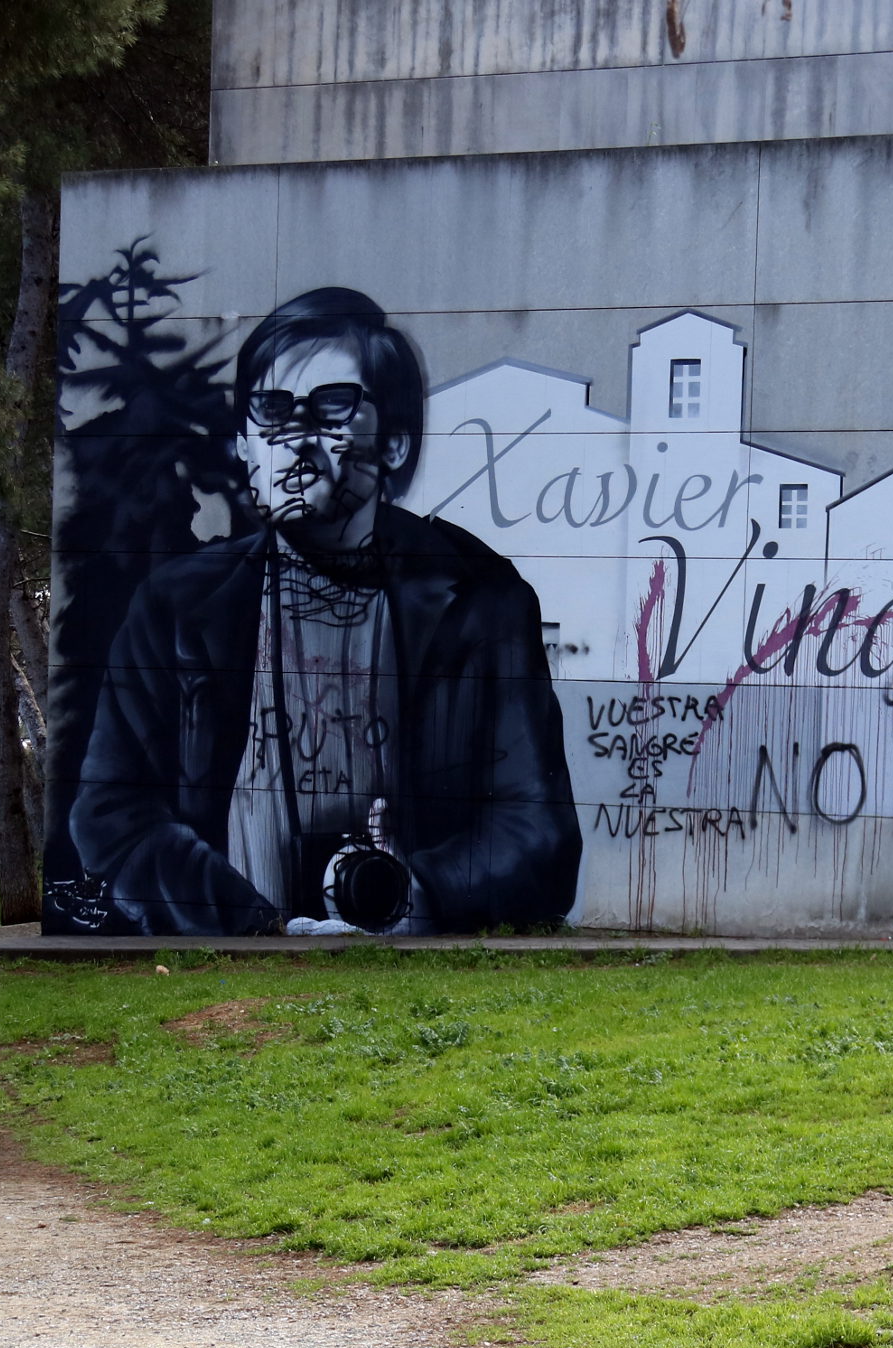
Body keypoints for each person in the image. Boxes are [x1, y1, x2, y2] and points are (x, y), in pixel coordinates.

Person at [69, 286, 580, 934]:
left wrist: (414, 898)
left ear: (394, 441)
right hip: (235, 969)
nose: (298, 441)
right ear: (245, 447)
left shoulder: (480, 599)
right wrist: (251, 928)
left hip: (411, 966)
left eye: (332, 407)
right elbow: (111, 812)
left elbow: (540, 832)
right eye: (273, 411)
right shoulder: (177, 607)